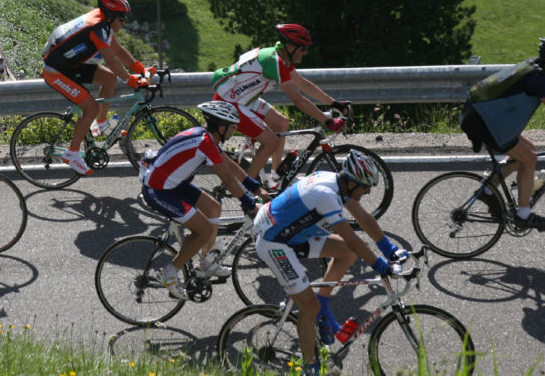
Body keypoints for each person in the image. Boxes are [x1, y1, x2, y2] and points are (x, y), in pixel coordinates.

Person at [253, 151, 408, 374]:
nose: (368, 191)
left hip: (289, 233)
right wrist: (381, 266)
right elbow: (352, 237)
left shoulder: (338, 182)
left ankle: (323, 305)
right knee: (308, 307)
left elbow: (363, 218)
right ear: (352, 182)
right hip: (273, 242)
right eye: (365, 186)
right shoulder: (326, 194)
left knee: (346, 253)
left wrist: (389, 249)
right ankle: (310, 366)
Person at [140, 101, 265, 298]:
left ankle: (207, 263)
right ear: (221, 127)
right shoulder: (205, 143)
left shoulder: (205, 136)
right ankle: (170, 273)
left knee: (214, 208)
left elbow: (229, 165)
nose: (234, 131)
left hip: (173, 184)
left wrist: (255, 187)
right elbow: (227, 178)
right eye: (232, 127)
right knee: (204, 229)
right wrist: (250, 203)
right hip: (158, 190)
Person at [211, 24, 349, 187]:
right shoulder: (274, 62)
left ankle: (275, 178)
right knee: (271, 141)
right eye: (302, 49)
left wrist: (335, 104)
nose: (305, 53)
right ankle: (246, 189)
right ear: (290, 47)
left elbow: (303, 84)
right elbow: (298, 99)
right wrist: (327, 121)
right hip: (230, 101)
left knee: (281, 123)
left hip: (243, 97)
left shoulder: (279, 58)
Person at [41, 0, 151, 175]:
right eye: (122, 18)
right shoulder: (97, 29)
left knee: (109, 79)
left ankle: (100, 124)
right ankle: (72, 153)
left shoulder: (103, 23)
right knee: (90, 108)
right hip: (55, 71)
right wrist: (131, 80)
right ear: (110, 16)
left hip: (69, 64)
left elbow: (119, 50)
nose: (124, 22)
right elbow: (112, 60)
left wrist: (139, 68)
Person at [460, 38, 545, 231]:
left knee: (526, 151)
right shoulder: (540, 80)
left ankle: (489, 191)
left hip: (478, 114)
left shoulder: (533, 66)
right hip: (485, 120)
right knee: (530, 159)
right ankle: (524, 216)